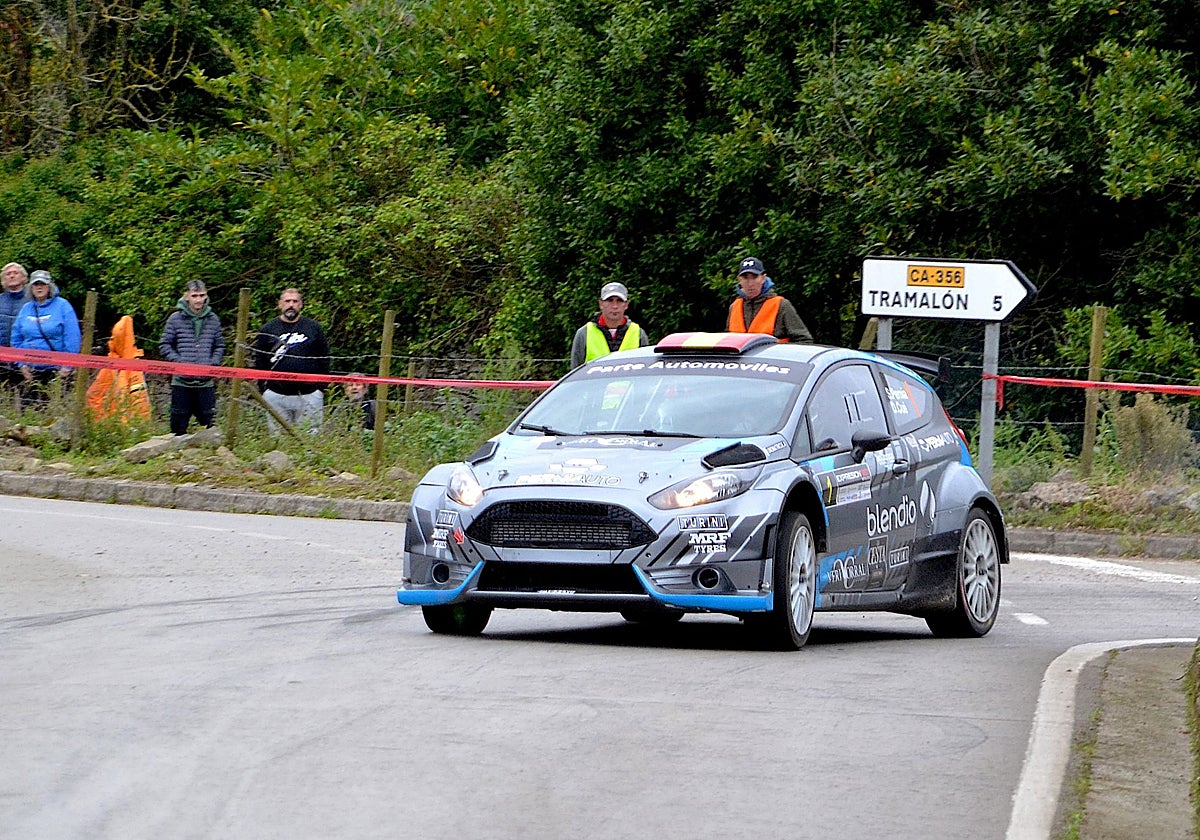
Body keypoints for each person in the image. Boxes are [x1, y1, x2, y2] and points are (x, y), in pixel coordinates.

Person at [252, 287, 330, 433]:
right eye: (287, 301)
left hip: (309, 394)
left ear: (301, 305)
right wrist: (264, 388)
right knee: (278, 438)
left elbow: (324, 357)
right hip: (276, 394)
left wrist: (321, 387)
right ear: (280, 304)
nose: (291, 305)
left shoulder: (314, 328)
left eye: (295, 301)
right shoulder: (268, 329)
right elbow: (260, 360)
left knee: (309, 439)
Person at [159, 280, 225, 435]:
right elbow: (165, 345)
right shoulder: (175, 319)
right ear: (186, 296)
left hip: (205, 383)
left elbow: (219, 346)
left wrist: (213, 363)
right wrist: (178, 362)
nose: (198, 300)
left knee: (210, 425)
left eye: (202, 295)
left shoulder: (213, 319)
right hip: (181, 382)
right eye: (195, 296)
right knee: (177, 427)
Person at [11, 269, 82, 405]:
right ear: (30, 288)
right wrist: (21, 364)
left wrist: (67, 366)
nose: (39, 287)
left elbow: (72, 337)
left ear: (49, 287)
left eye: (42, 284)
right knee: (29, 414)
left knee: (55, 412)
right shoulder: (26, 308)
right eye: (35, 284)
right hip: (31, 372)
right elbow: (16, 338)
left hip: (56, 371)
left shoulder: (63, 306)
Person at [726, 256, 813, 343]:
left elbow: (804, 341)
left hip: (773, 356)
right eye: (745, 278)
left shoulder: (781, 305)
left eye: (754, 277)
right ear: (739, 280)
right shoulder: (734, 307)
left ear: (763, 278)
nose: (750, 283)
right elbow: (727, 343)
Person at [570, 281, 650, 367]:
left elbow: (645, 369)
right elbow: (576, 371)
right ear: (601, 304)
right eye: (610, 300)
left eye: (619, 301)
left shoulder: (638, 333)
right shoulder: (584, 333)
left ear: (626, 305)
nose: (615, 306)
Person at [1, 262, 29, 390]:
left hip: (25, 358)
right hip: (2, 359)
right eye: (8, 274)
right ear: (3, 279)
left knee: (29, 400)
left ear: (23, 277)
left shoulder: (31, 301)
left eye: (15, 273)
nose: (12, 276)